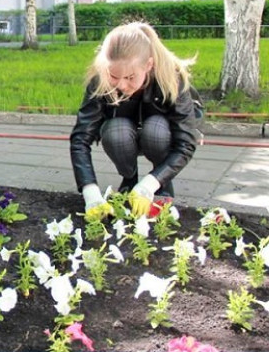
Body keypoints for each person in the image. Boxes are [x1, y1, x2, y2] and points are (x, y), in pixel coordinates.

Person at [69, 21, 202, 217]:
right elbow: (80, 138)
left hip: (161, 133)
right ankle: (130, 179)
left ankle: (160, 181)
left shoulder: (171, 78)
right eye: (114, 76)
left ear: (148, 65)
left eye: (130, 77)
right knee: (116, 131)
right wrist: (91, 194)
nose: (121, 85)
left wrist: (151, 184)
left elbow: (185, 143)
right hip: (123, 132)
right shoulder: (100, 80)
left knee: (155, 130)